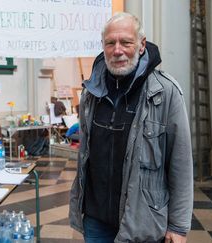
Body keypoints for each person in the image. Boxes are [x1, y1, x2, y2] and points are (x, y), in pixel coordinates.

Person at [69, 12, 193, 243]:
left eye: (126, 42)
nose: (118, 50)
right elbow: (85, 158)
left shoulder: (165, 93)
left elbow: (181, 163)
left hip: (143, 222)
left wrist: (178, 226)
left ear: (142, 45)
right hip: (95, 221)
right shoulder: (90, 93)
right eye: (110, 43)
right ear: (103, 47)